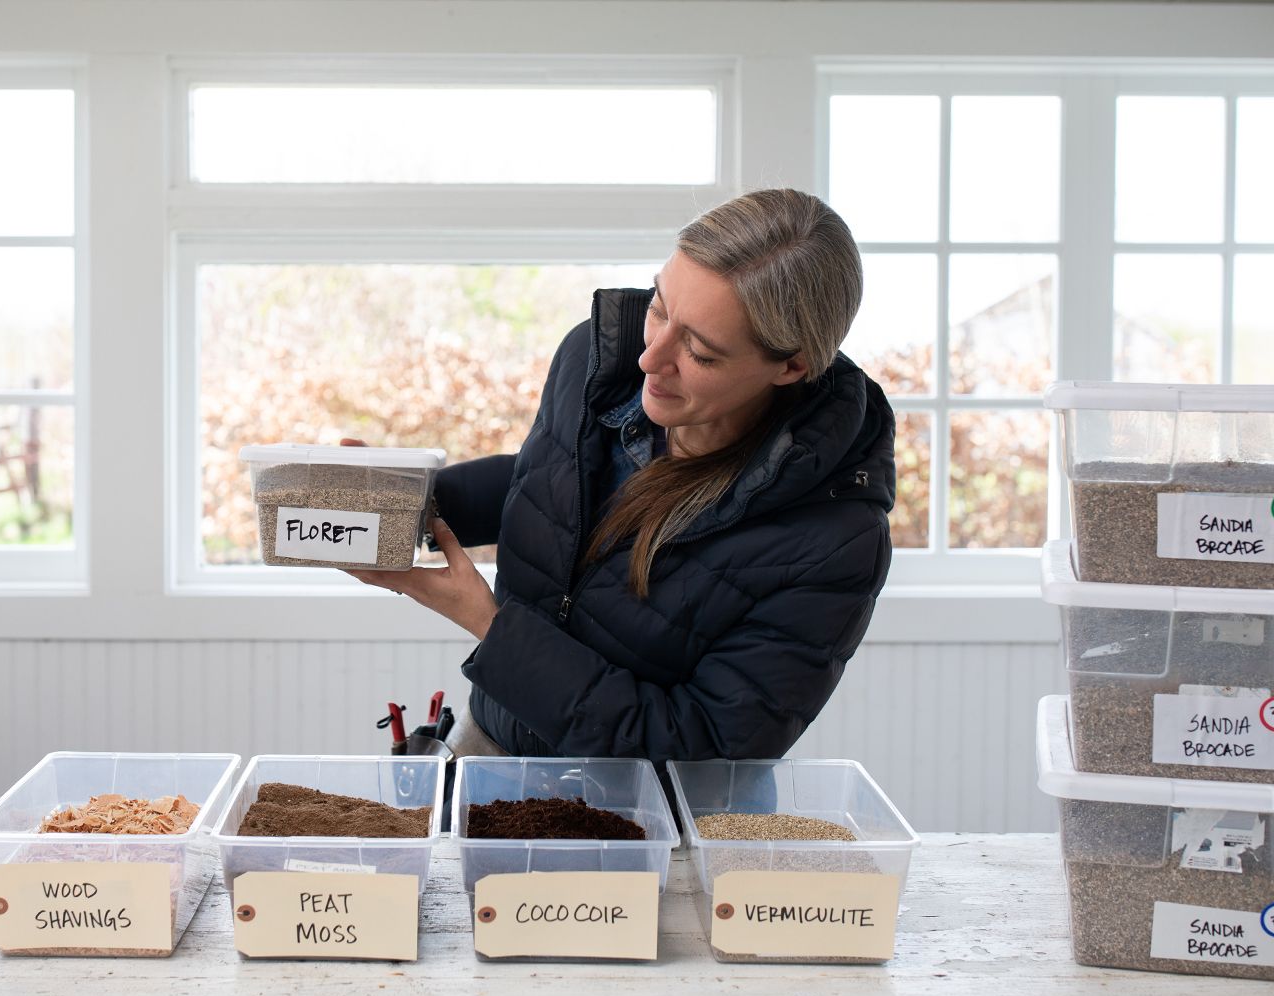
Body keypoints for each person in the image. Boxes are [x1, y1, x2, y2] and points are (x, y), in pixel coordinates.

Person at [345, 188, 894, 761]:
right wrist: (407, 500)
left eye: (700, 353)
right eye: (659, 308)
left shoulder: (836, 541)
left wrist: (491, 625)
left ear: (792, 364)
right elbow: (547, 479)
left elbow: (703, 744)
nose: (649, 358)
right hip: (492, 745)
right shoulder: (595, 359)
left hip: (647, 816)